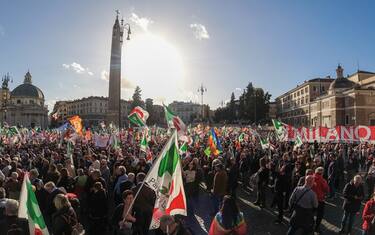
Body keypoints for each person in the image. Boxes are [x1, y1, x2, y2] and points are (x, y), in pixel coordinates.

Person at [312, 166, 329, 233]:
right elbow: (326, 189)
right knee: (320, 214)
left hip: (311, 199)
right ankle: (316, 227)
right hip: (320, 199)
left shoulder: (311, 177)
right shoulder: (322, 180)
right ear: (322, 173)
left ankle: (310, 225)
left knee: (311, 213)